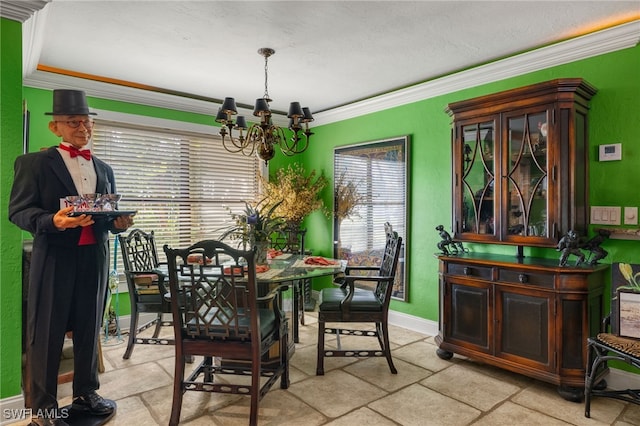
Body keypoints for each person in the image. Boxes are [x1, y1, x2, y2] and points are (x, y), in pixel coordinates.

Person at [9, 90, 134, 426]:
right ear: (55, 128)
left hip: (94, 257)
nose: (83, 127)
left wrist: (119, 224)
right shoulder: (33, 163)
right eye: (74, 122)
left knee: (88, 326)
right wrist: (53, 221)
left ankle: (86, 393)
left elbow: (106, 215)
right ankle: (43, 410)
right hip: (54, 258)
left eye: (87, 121)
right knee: (46, 332)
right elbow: (19, 212)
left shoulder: (104, 168)